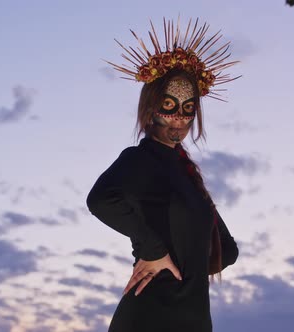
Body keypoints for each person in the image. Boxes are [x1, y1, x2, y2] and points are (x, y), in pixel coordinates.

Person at [86, 18, 241, 332]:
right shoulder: (140, 158)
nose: (179, 119)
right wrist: (153, 251)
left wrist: (190, 258)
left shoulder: (187, 175)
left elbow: (227, 251)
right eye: (169, 106)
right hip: (149, 314)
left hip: (195, 319)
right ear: (151, 108)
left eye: (187, 108)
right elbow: (101, 199)